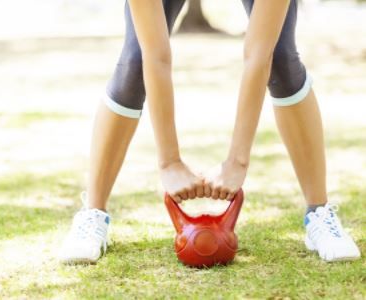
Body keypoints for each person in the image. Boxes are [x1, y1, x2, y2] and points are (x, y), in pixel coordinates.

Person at [59, 0, 360, 264]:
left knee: (282, 59)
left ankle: (319, 213)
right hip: (146, 56)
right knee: (135, 60)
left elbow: (258, 54)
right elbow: (156, 56)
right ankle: (93, 213)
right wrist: (170, 162)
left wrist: (237, 162)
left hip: (269, 53)